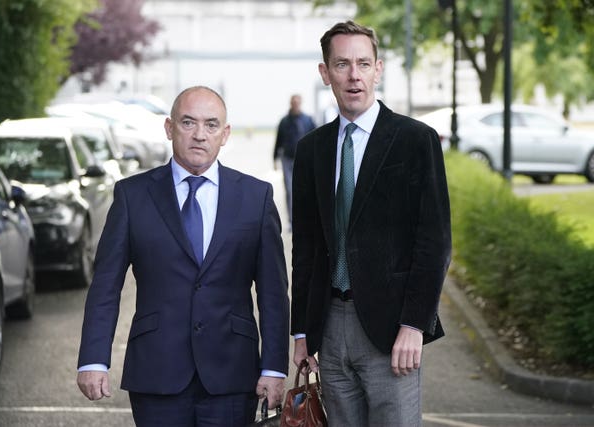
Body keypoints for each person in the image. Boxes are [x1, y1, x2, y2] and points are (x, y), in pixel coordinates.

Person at [77, 86, 290, 427]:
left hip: (232, 374)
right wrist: (93, 360)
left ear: (225, 134)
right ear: (169, 128)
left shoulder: (256, 197)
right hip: (156, 372)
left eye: (211, 125)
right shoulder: (132, 196)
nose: (199, 135)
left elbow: (274, 294)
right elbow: (105, 285)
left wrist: (275, 366)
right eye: (188, 123)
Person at [290, 21, 451, 427]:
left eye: (363, 63)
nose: (354, 75)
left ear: (378, 69)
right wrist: (301, 331)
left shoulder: (416, 140)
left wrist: (415, 323)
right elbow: (306, 247)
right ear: (325, 73)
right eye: (342, 64)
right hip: (329, 325)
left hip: (391, 329)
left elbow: (434, 242)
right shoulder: (311, 149)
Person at [273, 94, 316, 231]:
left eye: (298, 102)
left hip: (304, 160)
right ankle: (292, 221)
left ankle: (305, 219)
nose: (295, 104)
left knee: (306, 189)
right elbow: (278, 141)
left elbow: (317, 139)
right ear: (290, 103)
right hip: (287, 159)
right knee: (289, 191)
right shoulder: (284, 121)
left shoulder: (308, 120)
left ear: (301, 103)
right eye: (293, 102)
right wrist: (274, 159)